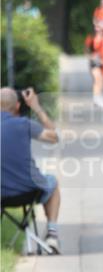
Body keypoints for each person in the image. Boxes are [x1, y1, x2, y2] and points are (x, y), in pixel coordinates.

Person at [1, 87, 61, 253]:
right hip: (29, 191)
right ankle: (52, 235)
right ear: (18, 106)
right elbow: (55, 137)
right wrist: (36, 107)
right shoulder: (25, 124)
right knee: (53, 182)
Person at [84, 22, 103, 110]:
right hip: (94, 61)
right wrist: (90, 57)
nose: (97, 29)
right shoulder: (91, 38)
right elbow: (86, 50)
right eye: (96, 27)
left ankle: (100, 96)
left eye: (99, 27)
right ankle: (96, 98)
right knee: (97, 79)